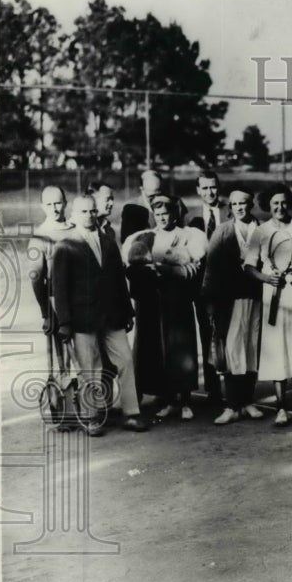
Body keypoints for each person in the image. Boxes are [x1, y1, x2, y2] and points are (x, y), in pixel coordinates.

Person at [51, 195, 147, 435]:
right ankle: (91, 417)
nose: (90, 216)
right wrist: (64, 322)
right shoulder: (65, 245)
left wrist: (128, 311)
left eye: (93, 211)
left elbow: (118, 281)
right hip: (83, 320)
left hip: (113, 315)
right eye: (84, 212)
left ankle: (132, 413)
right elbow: (59, 289)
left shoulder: (108, 242)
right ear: (74, 215)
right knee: (89, 368)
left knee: (125, 361)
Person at [123, 195, 207, 421]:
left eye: (166, 213)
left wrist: (164, 269)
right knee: (164, 351)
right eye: (157, 214)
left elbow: (192, 269)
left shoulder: (187, 235)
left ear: (174, 214)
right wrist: (161, 269)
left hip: (179, 300)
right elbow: (137, 267)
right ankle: (170, 400)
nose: (161, 218)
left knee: (184, 350)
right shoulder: (146, 237)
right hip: (156, 302)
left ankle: (187, 401)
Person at [243, 184, 292, 426]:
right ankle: (282, 408)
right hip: (273, 297)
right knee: (277, 351)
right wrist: (266, 277)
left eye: (283, 202)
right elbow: (249, 266)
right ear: (267, 206)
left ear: (289, 203)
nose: (279, 207)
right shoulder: (261, 232)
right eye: (274, 203)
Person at [202, 186, 264, 425]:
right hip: (229, 301)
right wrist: (209, 301)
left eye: (244, 203)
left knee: (251, 348)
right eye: (235, 204)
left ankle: (248, 401)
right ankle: (231, 405)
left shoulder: (261, 230)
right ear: (231, 207)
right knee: (230, 350)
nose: (240, 208)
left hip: (256, 298)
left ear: (251, 205)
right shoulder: (223, 231)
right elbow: (211, 268)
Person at [187, 169, 227, 405]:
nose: (210, 192)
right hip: (203, 287)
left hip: (229, 285)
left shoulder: (229, 212)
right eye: (205, 188)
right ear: (198, 190)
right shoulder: (193, 220)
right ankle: (214, 391)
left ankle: (236, 390)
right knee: (208, 336)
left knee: (231, 336)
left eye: (213, 187)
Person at [27, 186, 74, 335]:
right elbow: (36, 278)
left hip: (87, 302)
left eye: (57, 203)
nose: (53, 209)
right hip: (60, 304)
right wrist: (47, 313)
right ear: (42, 207)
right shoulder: (40, 237)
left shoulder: (78, 229)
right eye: (48, 204)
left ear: (65, 203)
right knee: (67, 357)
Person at [120, 169, 162, 242]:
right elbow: (126, 241)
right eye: (151, 196)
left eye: (159, 194)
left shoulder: (174, 204)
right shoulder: (132, 208)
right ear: (142, 189)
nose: (156, 199)